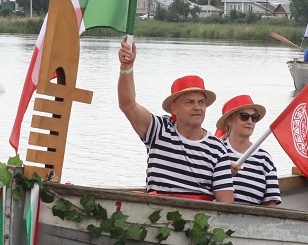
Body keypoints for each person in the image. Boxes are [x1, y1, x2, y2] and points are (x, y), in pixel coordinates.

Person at [116, 37, 233, 202]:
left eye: (201, 102)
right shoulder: (159, 130)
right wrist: (126, 66)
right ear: (174, 108)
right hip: (156, 215)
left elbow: (226, 204)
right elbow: (128, 104)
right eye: (189, 102)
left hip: (200, 220)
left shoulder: (217, 148)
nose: (197, 107)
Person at [215, 95, 280, 207]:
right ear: (229, 120)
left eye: (254, 117)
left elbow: (271, 202)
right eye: (244, 116)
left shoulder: (265, 158)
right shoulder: (215, 150)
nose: (250, 121)